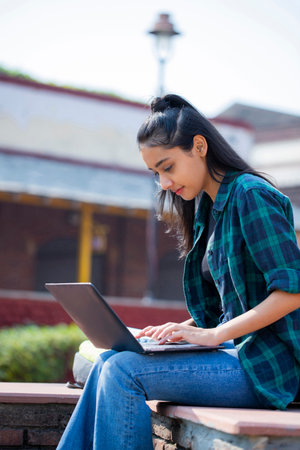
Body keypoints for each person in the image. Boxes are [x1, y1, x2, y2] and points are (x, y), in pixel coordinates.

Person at [57, 94, 300, 450]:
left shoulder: (251, 196)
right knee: (111, 359)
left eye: (168, 167)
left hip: (267, 368)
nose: (164, 183)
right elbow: (230, 306)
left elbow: (291, 291)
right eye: (156, 173)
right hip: (238, 354)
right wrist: (177, 331)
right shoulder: (209, 207)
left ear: (199, 146)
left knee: (124, 371)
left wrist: (214, 335)